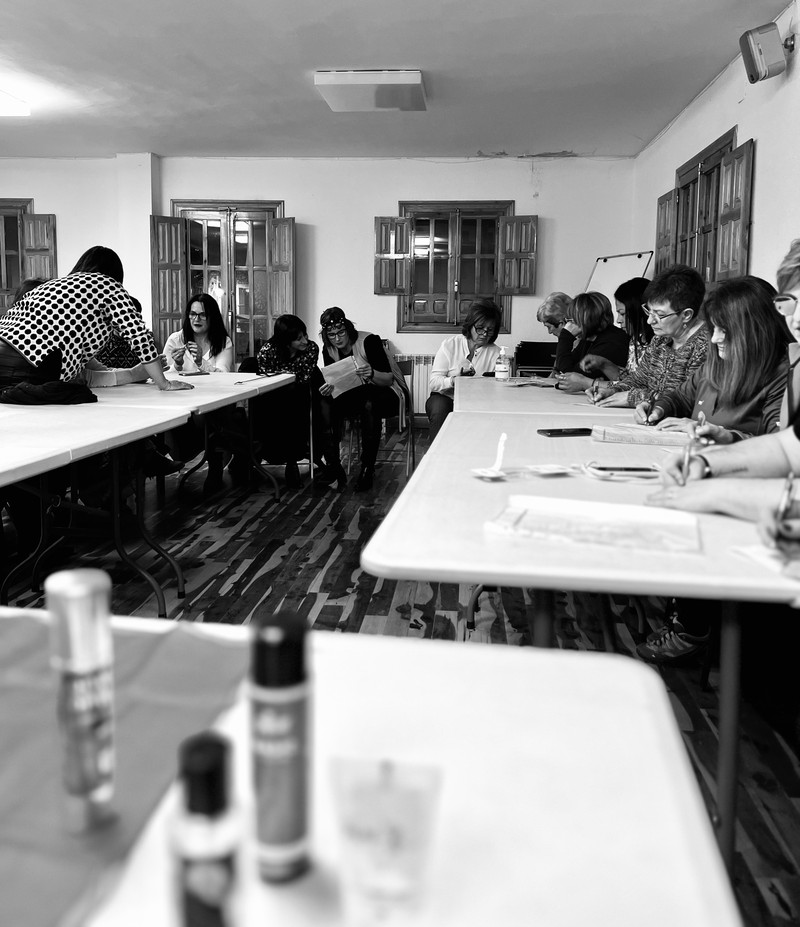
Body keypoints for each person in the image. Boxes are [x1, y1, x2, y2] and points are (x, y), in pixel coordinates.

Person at [0, 245, 191, 392]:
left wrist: (136, 373)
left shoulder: (53, 288)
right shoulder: (107, 284)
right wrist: (164, 383)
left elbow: (88, 369)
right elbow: (139, 335)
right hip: (32, 366)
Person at [633, 277, 790, 444]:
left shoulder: (784, 376)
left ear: (756, 330)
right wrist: (658, 408)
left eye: (725, 331)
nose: (715, 339)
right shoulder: (716, 364)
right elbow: (679, 398)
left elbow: (782, 446)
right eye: (714, 328)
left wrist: (728, 436)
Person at [587, 264, 709, 409]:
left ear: (686, 315)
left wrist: (634, 397)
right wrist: (613, 391)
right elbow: (638, 379)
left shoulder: (705, 345)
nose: (650, 321)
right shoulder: (660, 339)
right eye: (649, 312)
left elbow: (688, 399)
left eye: (660, 315)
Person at [317, 306, 405, 491]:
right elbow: (336, 382)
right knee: (324, 402)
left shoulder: (369, 341)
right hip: (354, 395)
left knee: (369, 403)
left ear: (348, 328)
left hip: (386, 393)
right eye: (331, 335)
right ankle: (333, 465)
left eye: (341, 332)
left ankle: (367, 467)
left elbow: (388, 379)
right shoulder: (329, 348)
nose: (337, 339)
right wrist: (329, 387)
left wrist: (371, 373)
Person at [255, 314, 323, 489]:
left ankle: (292, 461)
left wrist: (286, 377)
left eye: (305, 335)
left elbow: (304, 378)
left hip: (299, 394)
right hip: (272, 397)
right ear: (286, 340)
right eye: (298, 338)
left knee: (295, 403)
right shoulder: (267, 351)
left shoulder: (311, 349)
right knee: (276, 409)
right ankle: (264, 454)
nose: (305, 341)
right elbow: (267, 381)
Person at [426, 298, 503, 442]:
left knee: (488, 415)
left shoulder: (496, 353)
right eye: (480, 328)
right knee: (439, 408)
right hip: (445, 397)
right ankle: (437, 454)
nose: (484, 334)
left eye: (490, 330)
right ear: (470, 325)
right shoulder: (450, 345)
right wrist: (453, 381)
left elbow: (499, 390)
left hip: (478, 400)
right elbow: (434, 383)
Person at [552, 291, 629, 392]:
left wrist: (566, 336)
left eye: (572, 320)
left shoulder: (612, 342)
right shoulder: (589, 339)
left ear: (586, 319)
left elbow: (572, 378)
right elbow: (565, 373)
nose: (570, 325)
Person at [164, 294, 234, 373]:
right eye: (193, 314)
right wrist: (177, 365)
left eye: (203, 315)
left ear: (213, 317)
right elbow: (163, 375)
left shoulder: (223, 341)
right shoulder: (175, 339)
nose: (197, 319)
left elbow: (223, 375)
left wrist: (201, 363)